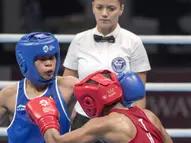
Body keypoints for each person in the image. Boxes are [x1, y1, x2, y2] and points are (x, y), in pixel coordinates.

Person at [62, 0, 151, 128]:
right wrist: (65, 118)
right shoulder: (79, 40)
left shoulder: (133, 42)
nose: (104, 13)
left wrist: (137, 125)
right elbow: (67, 85)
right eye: (99, 7)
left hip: (121, 120)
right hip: (84, 118)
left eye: (111, 8)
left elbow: (139, 94)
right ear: (93, 8)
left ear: (121, 9)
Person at [26, 70, 173, 143]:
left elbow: (57, 141)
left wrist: (46, 119)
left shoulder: (103, 123)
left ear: (90, 101)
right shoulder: (148, 115)